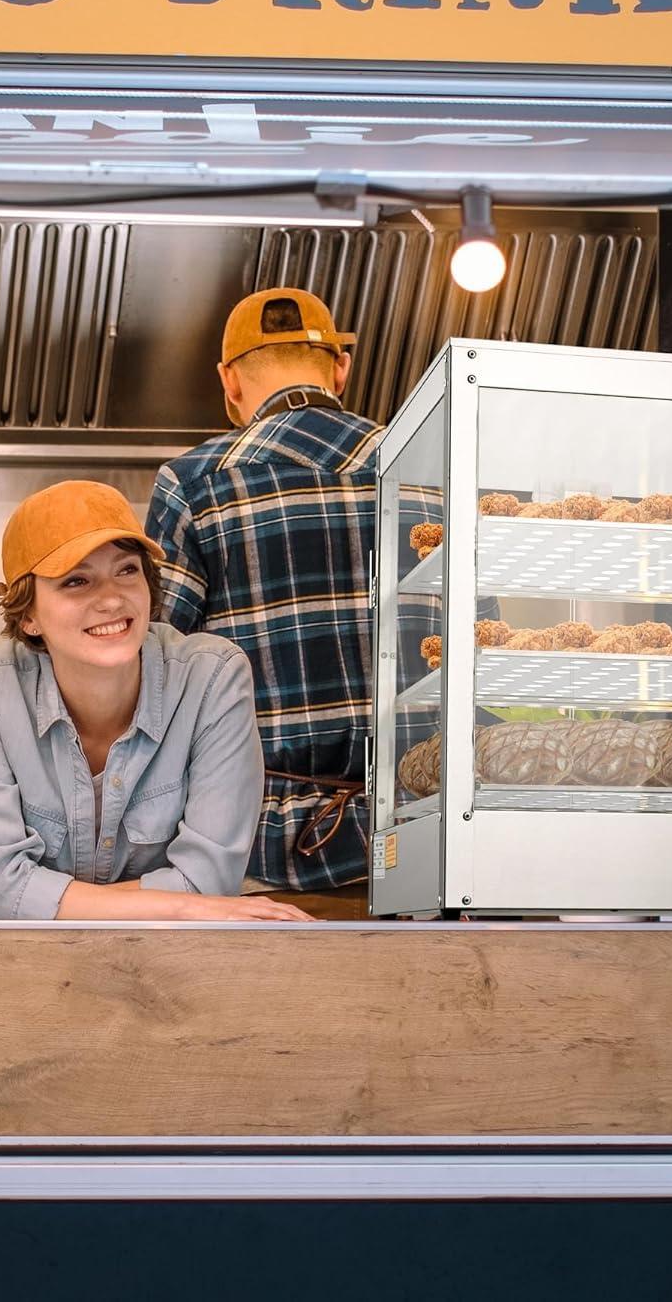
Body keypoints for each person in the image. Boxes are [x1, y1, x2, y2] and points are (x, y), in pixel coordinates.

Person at [0, 479, 310, 922]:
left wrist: (31, 899)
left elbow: (210, 879)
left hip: (149, 960)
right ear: (29, 615)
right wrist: (181, 905)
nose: (112, 598)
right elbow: (2, 889)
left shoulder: (213, 677)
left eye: (127, 570)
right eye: (77, 580)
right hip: (5, 959)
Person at [144, 288, 394, 897]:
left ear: (229, 382)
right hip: (418, 841)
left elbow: (147, 673)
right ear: (341, 367)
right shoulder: (428, 467)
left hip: (256, 851)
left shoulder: (195, 482)